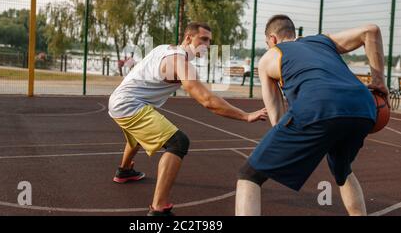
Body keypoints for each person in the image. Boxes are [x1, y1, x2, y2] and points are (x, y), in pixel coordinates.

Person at [108, 22, 267, 216]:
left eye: (209, 41)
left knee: (138, 134)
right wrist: (246, 115)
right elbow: (208, 101)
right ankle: (159, 209)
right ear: (189, 38)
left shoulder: (165, 49)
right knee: (178, 142)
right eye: (203, 39)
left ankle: (124, 171)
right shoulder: (179, 63)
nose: (207, 45)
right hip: (128, 104)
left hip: (122, 100)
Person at [235, 15, 388, 216]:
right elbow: (371, 31)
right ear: (294, 33)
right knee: (342, 171)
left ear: (272, 39)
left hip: (318, 103)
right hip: (364, 105)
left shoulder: (268, 59)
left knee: (249, 175)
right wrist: (379, 82)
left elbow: (277, 119)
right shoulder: (323, 40)